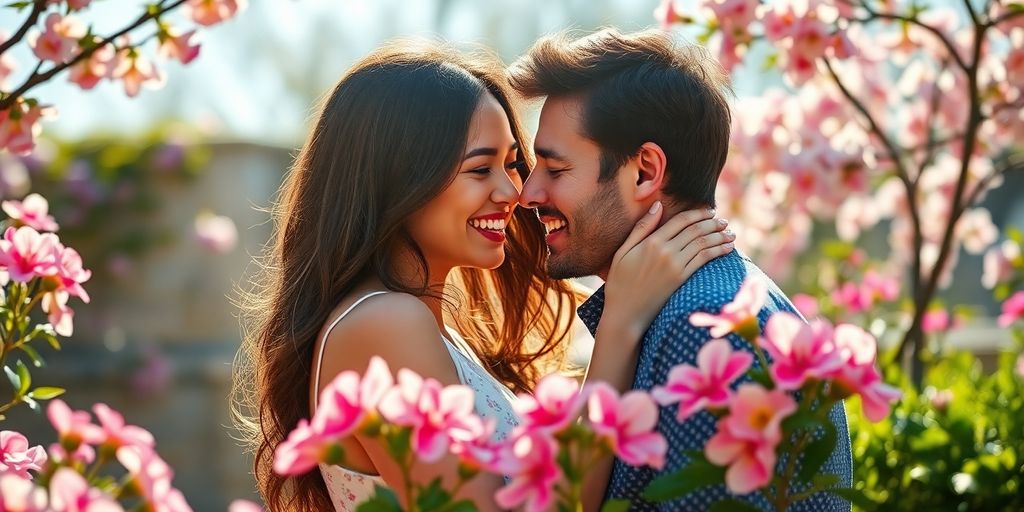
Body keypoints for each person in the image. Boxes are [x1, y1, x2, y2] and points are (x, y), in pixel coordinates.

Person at [233, 40, 736, 512]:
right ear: (401, 179)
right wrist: (621, 322)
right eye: (480, 170)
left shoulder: (428, 327)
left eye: (512, 164)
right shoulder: (385, 322)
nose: (513, 192)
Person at [508, 28, 854, 510]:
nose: (528, 194)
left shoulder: (707, 332)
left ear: (646, 171)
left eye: (556, 169)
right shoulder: (693, 311)